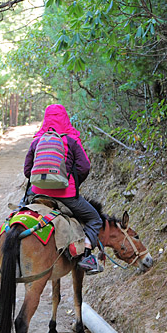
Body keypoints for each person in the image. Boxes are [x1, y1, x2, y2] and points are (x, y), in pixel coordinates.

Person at [24, 104, 103, 275]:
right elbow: (84, 167)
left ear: (45, 119)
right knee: (95, 219)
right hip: (66, 195)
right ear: (65, 118)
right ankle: (86, 258)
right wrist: (73, 184)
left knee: (19, 212)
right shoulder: (71, 140)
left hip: (37, 193)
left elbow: (26, 171)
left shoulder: (37, 141)